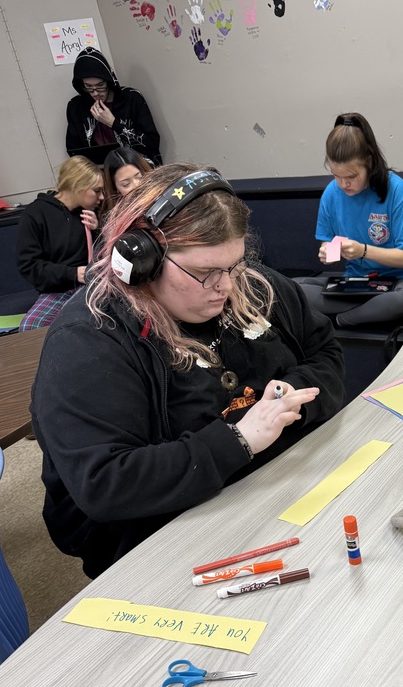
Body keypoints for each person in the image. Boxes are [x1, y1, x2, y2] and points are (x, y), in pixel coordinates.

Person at [30, 164, 346, 579]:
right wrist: (240, 440)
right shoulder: (88, 338)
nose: (227, 286)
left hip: (271, 483)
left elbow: (326, 352)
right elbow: (105, 483)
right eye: (204, 273)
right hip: (158, 530)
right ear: (139, 260)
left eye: (234, 265)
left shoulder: (250, 285)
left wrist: (292, 398)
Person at [298, 112, 403, 328]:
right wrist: (329, 252)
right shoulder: (331, 193)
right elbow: (328, 242)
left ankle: (340, 320)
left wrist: (363, 251)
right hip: (356, 284)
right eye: (335, 175)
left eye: (350, 177)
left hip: (400, 282)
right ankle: (365, 312)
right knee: (292, 288)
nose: (342, 184)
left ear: (369, 161)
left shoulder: (396, 190)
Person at [17, 155, 104, 331]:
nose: (102, 197)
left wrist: (98, 230)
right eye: (97, 190)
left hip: (95, 287)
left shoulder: (90, 213)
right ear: (78, 186)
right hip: (58, 291)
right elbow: (29, 266)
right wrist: (73, 274)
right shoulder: (36, 214)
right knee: (30, 328)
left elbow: (108, 256)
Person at [66, 47, 162, 165]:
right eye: (88, 86)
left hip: (137, 167)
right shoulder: (76, 107)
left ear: (109, 81)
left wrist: (113, 123)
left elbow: (151, 145)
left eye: (100, 85)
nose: (95, 93)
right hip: (101, 172)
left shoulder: (131, 98)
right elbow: (74, 152)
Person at [100, 146, 153, 217]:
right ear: (116, 189)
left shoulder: (165, 195)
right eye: (126, 184)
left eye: (140, 177)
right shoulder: (114, 221)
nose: (137, 185)